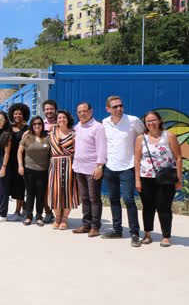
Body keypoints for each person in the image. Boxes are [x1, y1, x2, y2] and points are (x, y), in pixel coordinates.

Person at [101, 96, 144, 247]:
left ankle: (134, 233)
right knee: (113, 200)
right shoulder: (105, 123)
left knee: (128, 200)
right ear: (108, 109)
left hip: (128, 167)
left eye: (120, 106)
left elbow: (143, 136)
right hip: (110, 168)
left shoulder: (133, 120)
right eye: (115, 107)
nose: (119, 109)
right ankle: (117, 230)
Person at [135, 111, 182, 247]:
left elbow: (178, 157)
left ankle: (166, 236)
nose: (151, 123)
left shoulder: (169, 136)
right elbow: (137, 160)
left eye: (154, 120)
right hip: (146, 177)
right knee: (148, 207)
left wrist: (178, 179)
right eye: (148, 121)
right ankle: (147, 234)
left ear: (160, 120)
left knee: (164, 207)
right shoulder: (141, 138)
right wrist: (137, 180)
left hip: (166, 178)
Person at [72, 103, 107, 237]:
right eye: (79, 112)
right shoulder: (77, 127)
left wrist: (99, 167)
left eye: (85, 111)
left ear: (91, 111)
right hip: (79, 168)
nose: (82, 114)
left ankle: (95, 226)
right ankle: (86, 224)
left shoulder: (98, 127)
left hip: (93, 169)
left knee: (94, 198)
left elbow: (102, 148)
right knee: (85, 198)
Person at [48, 110, 78, 230]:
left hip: (69, 164)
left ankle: (65, 219)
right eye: (59, 118)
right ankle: (58, 217)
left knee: (68, 192)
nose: (61, 120)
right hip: (55, 164)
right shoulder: (52, 131)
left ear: (68, 119)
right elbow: (36, 131)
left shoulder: (74, 133)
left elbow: (77, 150)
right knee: (54, 192)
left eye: (64, 118)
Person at [18, 116, 50, 226]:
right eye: (34, 124)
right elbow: (19, 152)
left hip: (43, 170)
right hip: (29, 170)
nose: (37, 126)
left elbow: (56, 128)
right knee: (30, 194)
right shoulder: (27, 137)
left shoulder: (47, 137)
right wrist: (20, 166)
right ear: (32, 125)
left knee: (40, 195)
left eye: (39, 124)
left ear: (42, 125)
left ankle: (39, 217)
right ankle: (28, 216)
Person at [7, 103, 30, 220]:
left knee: (21, 186)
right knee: (14, 186)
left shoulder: (28, 129)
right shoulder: (9, 128)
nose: (17, 116)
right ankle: (24, 206)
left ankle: (17, 211)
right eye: (15, 113)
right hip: (10, 161)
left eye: (20, 114)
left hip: (23, 161)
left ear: (24, 115)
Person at [41, 99, 58, 222]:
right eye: (47, 109)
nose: (49, 111)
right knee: (43, 188)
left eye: (51, 109)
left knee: (57, 188)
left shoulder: (62, 122)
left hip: (58, 160)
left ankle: (60, 214)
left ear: (55, 110)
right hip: (42, 160)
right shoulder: (40, 124)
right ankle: (47, 211)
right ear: (44, 111)